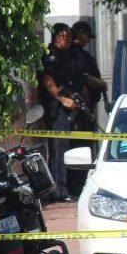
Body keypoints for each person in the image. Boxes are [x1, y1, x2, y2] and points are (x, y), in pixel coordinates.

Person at [38, 23, 85, 203]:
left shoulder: (68, 56)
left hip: (69, 108)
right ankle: (57, 190)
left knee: (66, 148)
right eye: (62, 36)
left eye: (68, 37)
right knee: (59, 149)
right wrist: (62, 99)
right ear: (56, 37)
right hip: (56, 109)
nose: (65, 40)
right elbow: (48, 80)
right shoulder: (51, 56)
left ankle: (66, 187)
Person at [67, 20, 106, 196]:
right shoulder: (77, 56)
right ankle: (78, 186)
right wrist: (100, 84)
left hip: (82, 110)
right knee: (82, 149)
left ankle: (77, 185)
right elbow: (84, 79)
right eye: (86, 36)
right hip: (80, 112)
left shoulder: (77, 55)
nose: (88, 39)